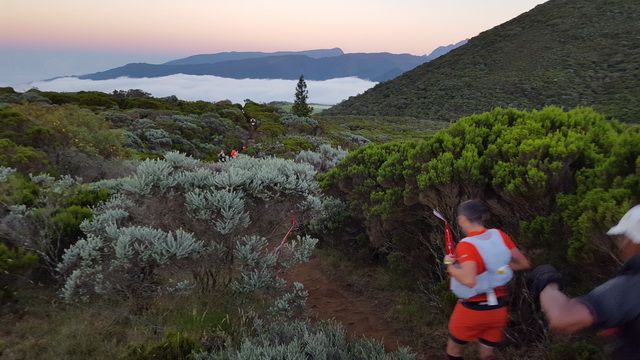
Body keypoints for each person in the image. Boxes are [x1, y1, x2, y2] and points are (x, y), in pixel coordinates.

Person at [528, 204, 640, 360]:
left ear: (636, 242)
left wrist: (547, 283)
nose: (622, 244)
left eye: (625, 237)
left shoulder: (632, 286)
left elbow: (564, 318)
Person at [443, 200, 530, 360]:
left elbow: (469, 280)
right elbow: (523, 263)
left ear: (463, 219)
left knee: (454, 351)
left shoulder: (467, 245)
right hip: (498, 309)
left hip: (471, 311)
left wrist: (450, 266)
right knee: (488, 354)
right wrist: (499, 268)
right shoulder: (500, 235)